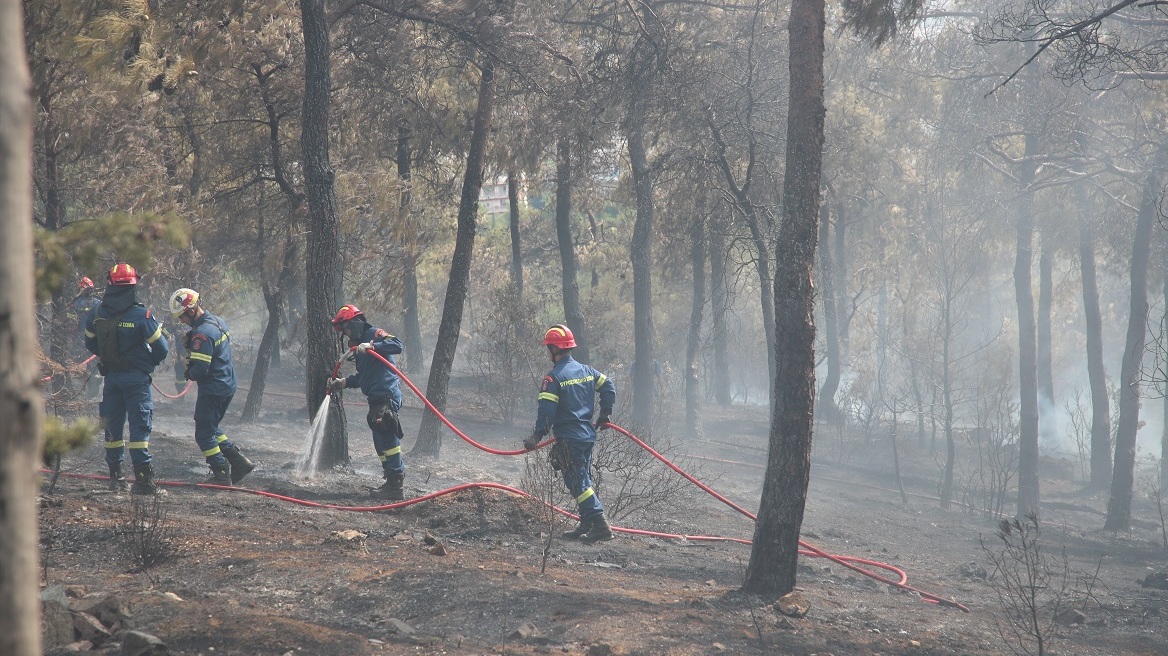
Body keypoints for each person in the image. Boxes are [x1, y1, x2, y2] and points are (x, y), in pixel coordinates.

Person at [524, 324, 617, 543]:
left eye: (548, 347)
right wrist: (605, 413)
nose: (547, 351)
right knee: (583, 479)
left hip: (570, 438)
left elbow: (546, 412)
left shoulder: (553, 378)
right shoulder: (587, 371)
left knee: (578, 483)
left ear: (555, 349)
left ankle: (601, 525)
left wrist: (537, 436)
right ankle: (586, 523)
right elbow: (609, 386)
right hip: (587, 436)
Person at [84, 263, 168, 494]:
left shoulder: (97, 312)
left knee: (112, 428)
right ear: (134, 285)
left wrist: (109, 357)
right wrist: (145, 364)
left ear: (110, 283)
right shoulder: (142, 315)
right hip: (136, 381)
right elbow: (161, 349)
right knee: (139, 429)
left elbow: (89, 342)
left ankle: (116, 478)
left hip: (111, 379)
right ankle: (143, 482)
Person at [170, 288, 255, 485]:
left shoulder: (203, 335)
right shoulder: (217, 321)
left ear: (190, 311)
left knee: (203, 434)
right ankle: (239, 461)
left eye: (182, 317)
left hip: (214, 389)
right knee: (211, 427)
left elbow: (200, 370)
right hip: (226, 384)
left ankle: (221, 472)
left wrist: (189, 371)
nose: (181, 321)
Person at [326, 304, 407, 500]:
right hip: (375, 399)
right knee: (380, 441)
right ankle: (390, 481)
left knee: (388, 439)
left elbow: (397, 345)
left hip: (387, 396)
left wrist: (373, 345)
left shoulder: (374, 334)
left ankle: (396, 485)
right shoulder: (359, 348)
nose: (345, 334)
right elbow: (363, 377)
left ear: (353, 324)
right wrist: (343, 382)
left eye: (345, 329)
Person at [72, 276, 102, 399]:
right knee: (92, 363)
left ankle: (84, 389)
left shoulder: (75, 303)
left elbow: (71, 322)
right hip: (94, 339)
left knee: (79, 363)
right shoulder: (98, 303)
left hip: (79, 338)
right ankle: (92, 383)